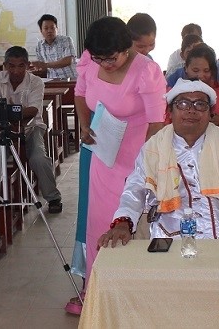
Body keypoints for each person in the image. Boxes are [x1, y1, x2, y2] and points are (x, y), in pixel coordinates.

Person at [96, 79, 219, 248]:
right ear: (170, 112)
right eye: (183, 103)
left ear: (210, 113)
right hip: (170, 239)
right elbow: (135, 187)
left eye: (200, 104)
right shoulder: (154, 147)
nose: (191, 110)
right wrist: (123, 222)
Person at [67, 16, 166, 315]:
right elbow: (80, 94)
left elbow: (157, 123)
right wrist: (84, 124)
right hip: (103, 153)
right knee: (98, 222)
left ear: (126, 48)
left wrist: (144, 166)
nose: (105, 64)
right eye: (99, 59)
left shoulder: (146, 71)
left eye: (110, 59)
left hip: (136, 158)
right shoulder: (90, 60)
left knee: (130, 222)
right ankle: (96, 290)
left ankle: (132, 294)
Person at [0, 46, 61, 213]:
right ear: (5, 65)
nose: (16, 70)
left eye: (21, 66)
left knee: (38, 158)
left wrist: (9, 112)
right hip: (3, 129)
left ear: (27, 65)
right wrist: (16, 112)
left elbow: (33, 111)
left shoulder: (36, 82)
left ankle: (53, 197)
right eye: (11, 66)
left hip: (32, 128)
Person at [175, 43, 219, 133]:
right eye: (195, 70)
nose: (200, 75)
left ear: (212, 71)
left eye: (206, 71)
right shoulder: (177, 92)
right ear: (186, 68)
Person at [31, 14, 77, 79]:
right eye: (46, 28)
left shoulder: (66, 40)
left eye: (52, 28)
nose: (49, 31)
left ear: (57, 29)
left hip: (69, 80)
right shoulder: (39, 46)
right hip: (52, 81)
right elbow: (43, 68)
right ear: (41, 31)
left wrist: (45, 65)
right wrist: (35, 68)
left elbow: (68, 61)